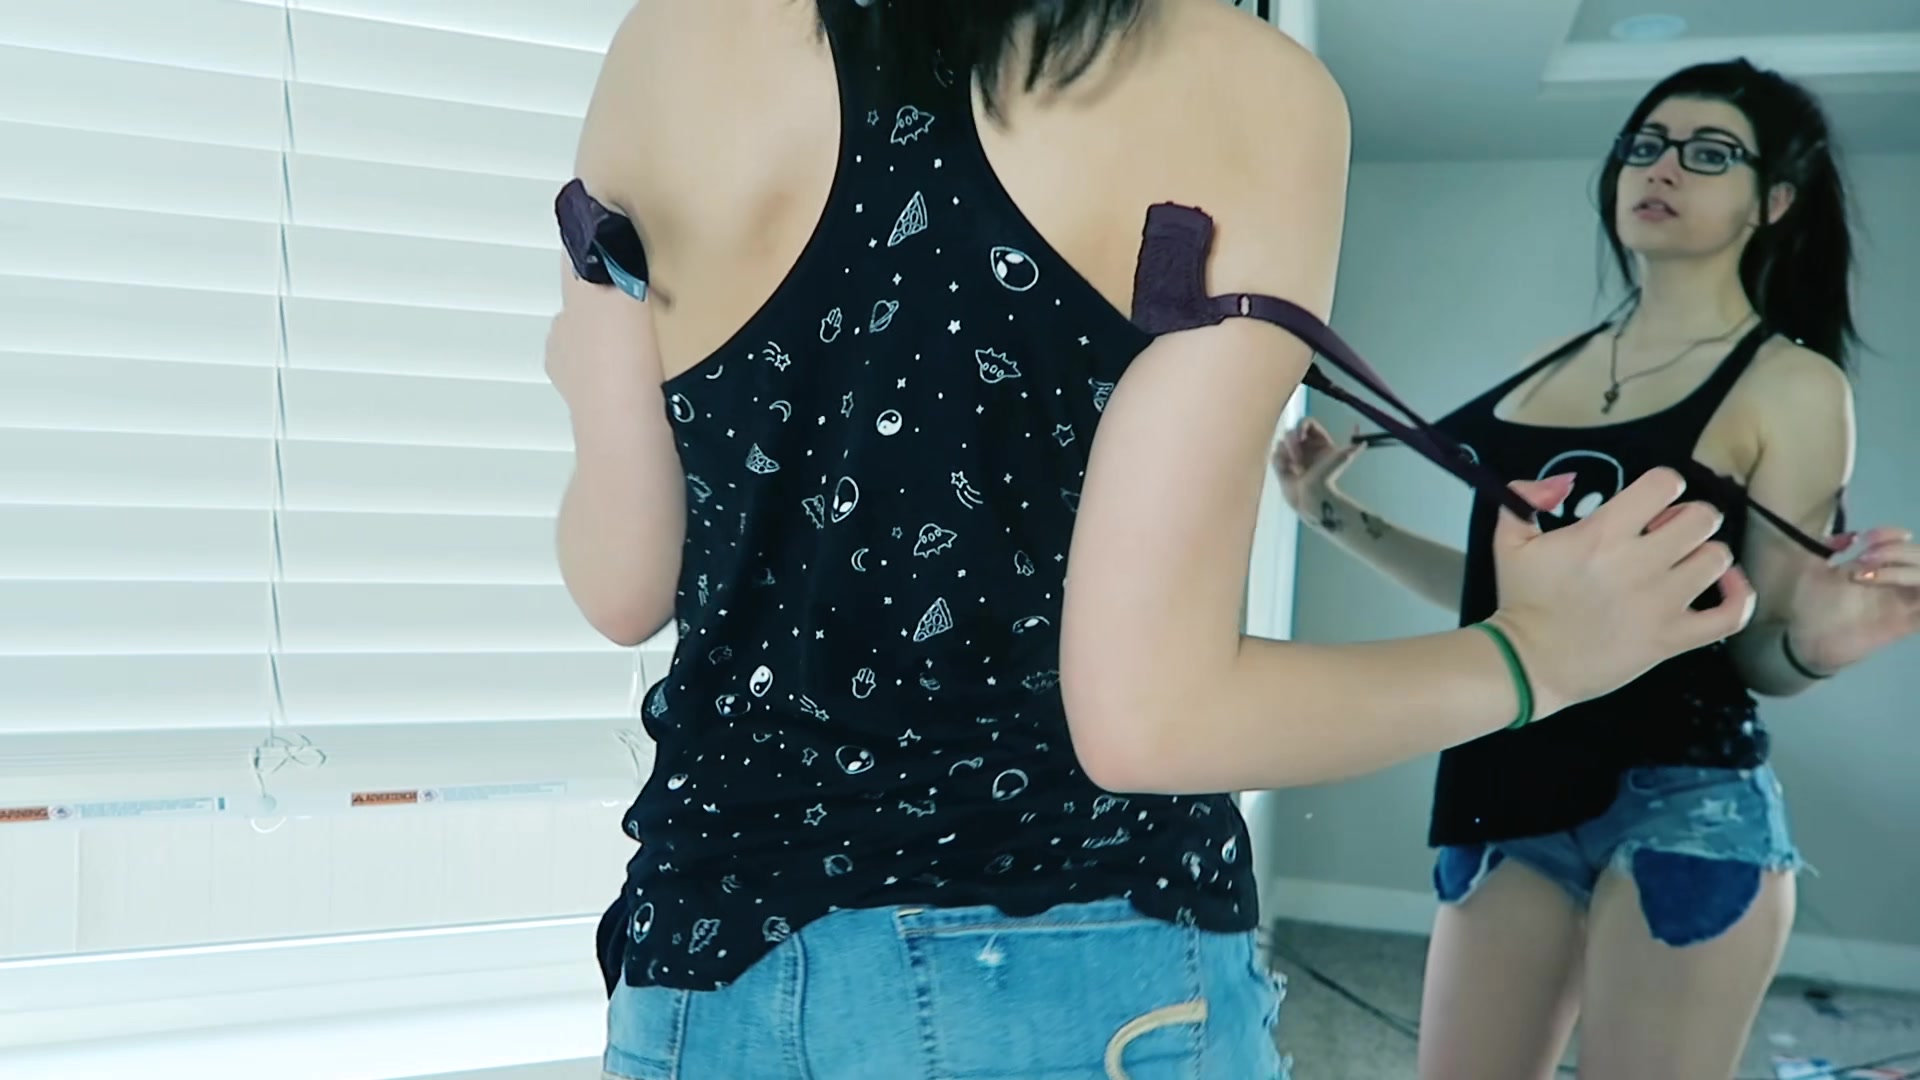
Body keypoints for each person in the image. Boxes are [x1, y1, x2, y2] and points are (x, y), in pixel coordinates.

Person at [547, 3, 1759, 1076]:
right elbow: (1149, 722)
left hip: (696, 972)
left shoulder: (668, 43)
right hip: (1057, 962)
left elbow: (620, 585)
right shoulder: (1233, 79)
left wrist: (593, 370)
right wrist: (1536, 654)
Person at [1274, 59, 1920, 1080]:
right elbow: (1509, 608)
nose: (1662, 167)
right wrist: (1331, 515)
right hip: (1505, 781)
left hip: (1683, 798)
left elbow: (1760, 650)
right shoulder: (1552, 362)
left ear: (1774, 201)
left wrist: (1817, 645)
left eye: (1710, 153)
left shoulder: (1791, 385)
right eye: (1645, 145)